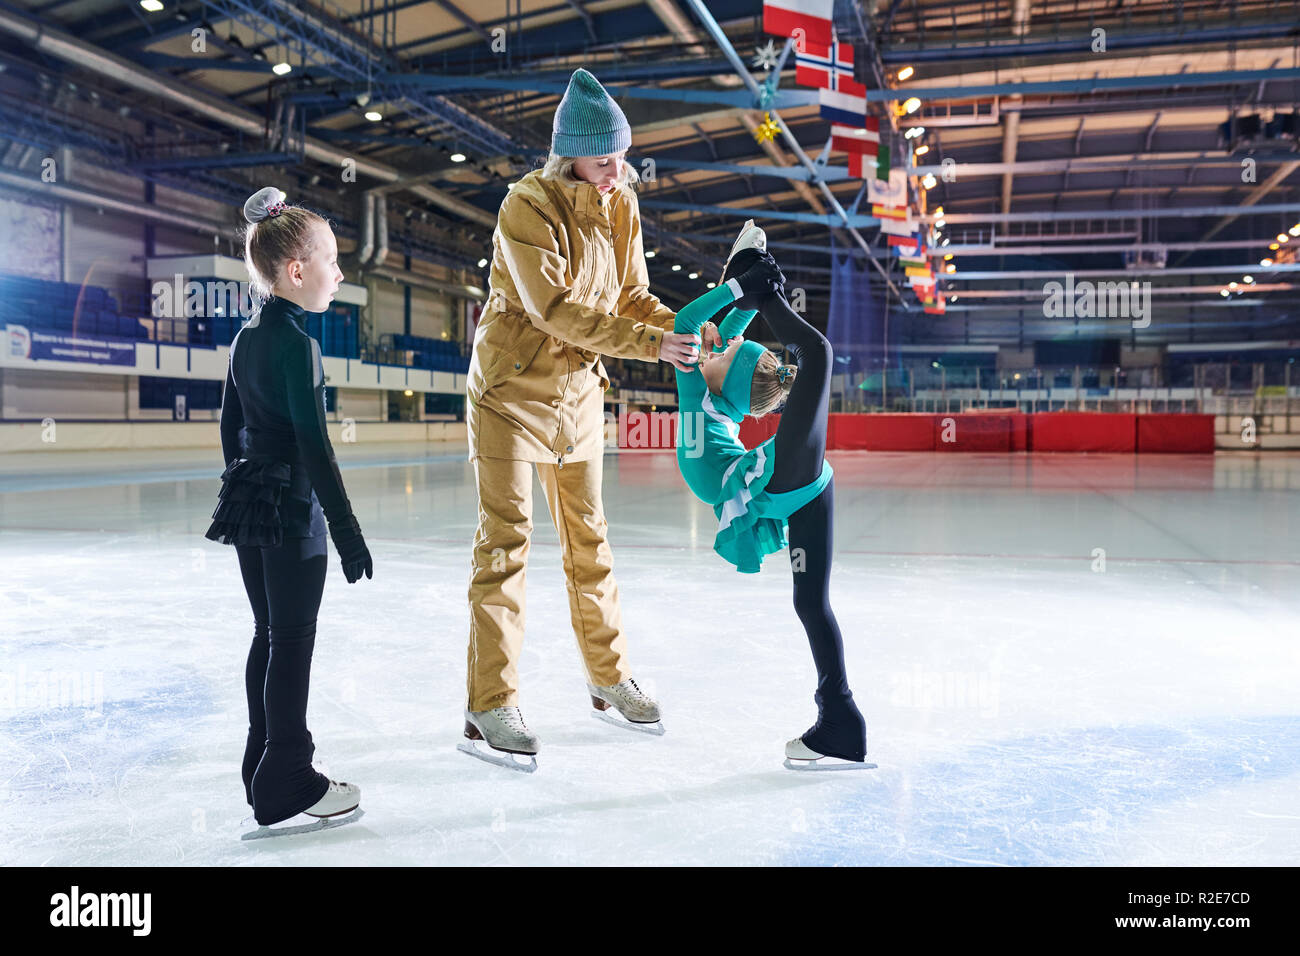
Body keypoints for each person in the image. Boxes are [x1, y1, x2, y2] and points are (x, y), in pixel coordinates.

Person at [462, 68, 700, 770]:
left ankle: (607, 676)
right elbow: (555, 310)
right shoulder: (525, 206)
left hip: (579, 396)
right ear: (571, 152)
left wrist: (693, 328)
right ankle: (488, 702)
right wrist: (657, 347)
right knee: (505, 545)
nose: (617, 170)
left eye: (621, 156)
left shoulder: (620, 203)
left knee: (590, 542)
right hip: (509, 392)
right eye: (604, 159)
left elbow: (633, 297)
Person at [668, 220, 870, 771]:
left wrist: (753, 292)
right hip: (799, 491)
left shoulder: (697, 388)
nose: (720, 345)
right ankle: (840, 721)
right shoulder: (719, 395)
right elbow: (724, 331)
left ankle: (839, 720)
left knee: (816, 355)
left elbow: (692, 322)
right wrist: (744, 288)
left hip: (776, 482)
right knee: (810, 604)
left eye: (727, 351)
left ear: (722, 377)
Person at [205, 186, 374, 830]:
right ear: (296, 270)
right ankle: (288, 777)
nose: (339, 273)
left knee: (268, 635)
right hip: (294, 509)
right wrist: (348, 531)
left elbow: (230, 430)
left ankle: (260, 759)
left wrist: (243, 483)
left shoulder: (247, 337)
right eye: (331, 260)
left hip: (250, 503)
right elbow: (315, 445)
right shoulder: (298, 344)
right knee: (293, 641)